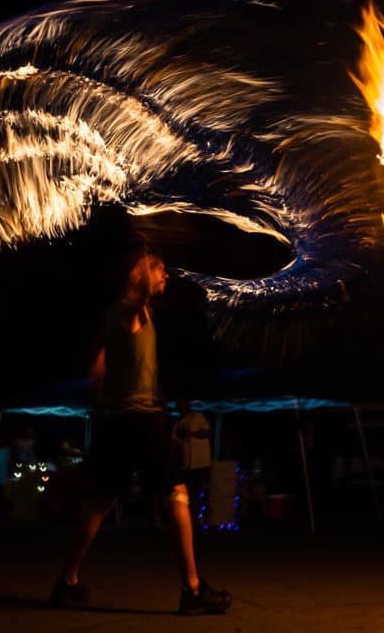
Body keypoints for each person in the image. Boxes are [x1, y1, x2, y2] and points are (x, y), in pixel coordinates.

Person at [51, 237, 232, 615]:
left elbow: (96, 369)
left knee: (100, 502)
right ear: (138, 275)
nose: (165, 274)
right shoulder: (128, 309)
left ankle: (66, 582)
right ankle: (192, 590)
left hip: (119, 419)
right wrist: (144, 255)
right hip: (141, 419)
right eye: (158, 268)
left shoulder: (121, 316)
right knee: (177, 495)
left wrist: (112, 384)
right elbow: (132, 305)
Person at [172, 399, 212, 527]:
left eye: (181, 403)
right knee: (189, 494)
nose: (179, 406)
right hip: (186, 465)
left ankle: (206, 520)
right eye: (177, 404)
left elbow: (207, 432)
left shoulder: (197, 416)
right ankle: (193, 520)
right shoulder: (177, 423)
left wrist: (190, 433)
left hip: (201, 463)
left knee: (203, 492)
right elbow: (175, 442)